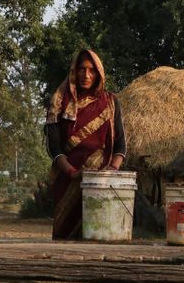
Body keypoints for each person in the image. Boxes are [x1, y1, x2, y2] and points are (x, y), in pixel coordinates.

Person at [45, 49, 127, 240]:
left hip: (102, 183)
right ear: (74, 71)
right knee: (65, 239)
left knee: (100, 236)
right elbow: (53, 147)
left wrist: (111, 172)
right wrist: (73, 173)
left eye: (91, 70)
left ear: (99, 73)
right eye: (81, 69)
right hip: (67, 181)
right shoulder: (59, 102)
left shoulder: (111, 102)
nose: (86, 75)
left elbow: (121, 145)